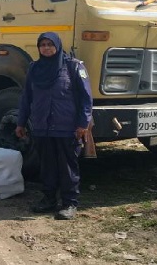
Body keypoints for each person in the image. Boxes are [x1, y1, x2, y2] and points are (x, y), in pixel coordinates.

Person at [15, 32, 93, 220]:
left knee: (67, 166)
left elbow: (86, 98)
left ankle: (69, 203)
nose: (46, 48)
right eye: (43, 45)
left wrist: (83, 124)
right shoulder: (35, 69)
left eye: (50, 44)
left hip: (67, 127)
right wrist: (21, 122)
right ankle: (49, 199)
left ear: (57, 46)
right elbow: (27, 98)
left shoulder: (73, 67)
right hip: (42, 126)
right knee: (47, 165)